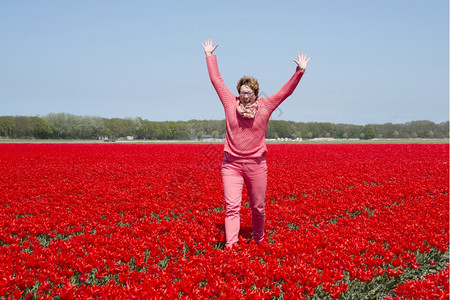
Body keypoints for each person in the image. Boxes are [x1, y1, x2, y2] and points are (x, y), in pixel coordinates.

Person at [202, 39, 310, 248]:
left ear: (256, 93)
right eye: (242, 92)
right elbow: (217, 80)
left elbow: (285, 92)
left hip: (256, 165)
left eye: (249, 92)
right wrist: (209, 56)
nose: (245, 95)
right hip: (231, 164)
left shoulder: (266, 106)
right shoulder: (229, 103)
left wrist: (300, 71)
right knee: (232, 207)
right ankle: (231, 246)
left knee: (258, 207)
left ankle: (259, 241)